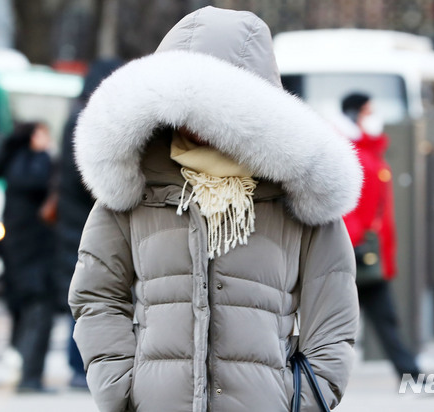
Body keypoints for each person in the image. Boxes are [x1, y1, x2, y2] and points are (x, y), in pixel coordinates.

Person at [69, 6, 362, 412]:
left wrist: (304, 399)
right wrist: (119, 388)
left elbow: (334, 315)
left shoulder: (297, 195)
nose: (192, 120)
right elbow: (97, 297)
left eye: (210, 102)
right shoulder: (134, 189)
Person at [340, 92, 422, 381]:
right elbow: (346, 205)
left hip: (367, 251)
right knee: (347, 321)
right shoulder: (352, 153)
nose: (374, 117)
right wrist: (355, 240)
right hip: (359, 251)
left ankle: (410, 373)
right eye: (368, 111)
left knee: (380, 317)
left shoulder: (368, 152)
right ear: (353, 115)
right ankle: (410, 374)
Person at [55, 58, 123, 389]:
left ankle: (78, 365)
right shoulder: (86, 123)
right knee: (88, 296)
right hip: (83, 224)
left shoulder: (75, 119)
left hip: (74, 221)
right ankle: (77, 366)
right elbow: (89, 178)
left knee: (87, 294)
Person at [0, 122, 55, 393]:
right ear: (33, 136)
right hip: (34, 253)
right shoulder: (34, 164)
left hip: (21, 253)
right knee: (39, 310)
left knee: (32, 310)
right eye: (43, 133)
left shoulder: (15, 164)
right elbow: (40, 184)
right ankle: (30, 376)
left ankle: (28, 372)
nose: (48, 139)